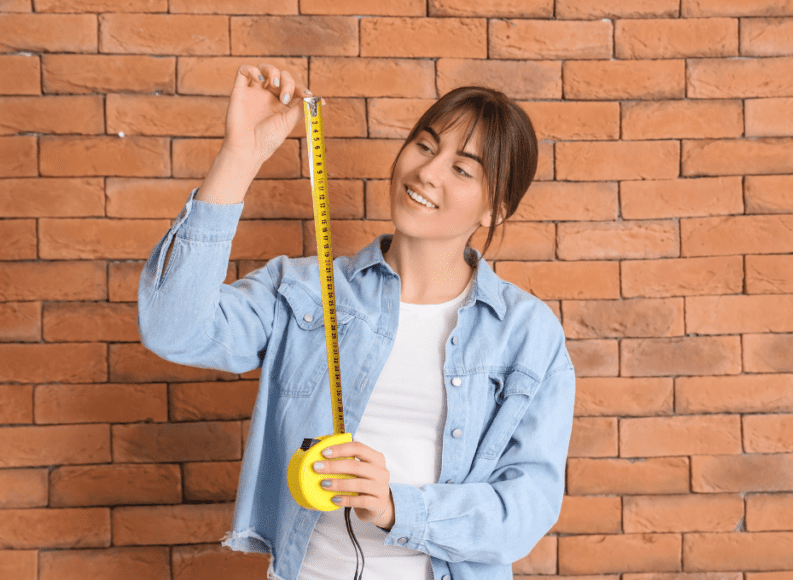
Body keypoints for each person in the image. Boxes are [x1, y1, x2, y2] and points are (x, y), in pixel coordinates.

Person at [137, 63, 575, 580]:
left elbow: (524, 509)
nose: (428, 173)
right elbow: (174, 328)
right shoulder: (305, 292)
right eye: (425, 146)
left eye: (463, 169)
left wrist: (396, 507)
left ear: (494, 210)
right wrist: (239, 156)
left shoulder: (527, 335)